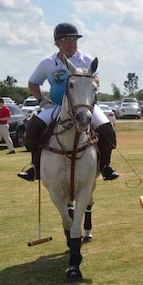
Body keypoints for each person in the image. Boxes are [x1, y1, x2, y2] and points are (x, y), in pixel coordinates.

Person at [17, 23, 119, 181]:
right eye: (67, 39)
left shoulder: (86, 59)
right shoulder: (47, 63)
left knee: (107, 130)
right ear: (57, 42)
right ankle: (35, 167)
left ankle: (106, 166)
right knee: (33, 128)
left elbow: (97, 79)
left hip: (84, 106)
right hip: (57, 107)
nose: (72, 42)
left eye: (74, 39)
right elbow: (33, 83)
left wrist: (91, 78)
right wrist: (41, 101)